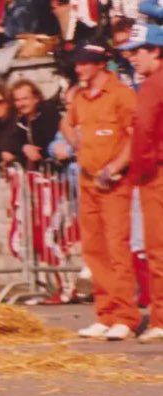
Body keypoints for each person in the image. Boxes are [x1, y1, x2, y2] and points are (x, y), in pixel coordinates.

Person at [60, 39, 139, 340]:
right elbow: (67, 124)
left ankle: (126, 316)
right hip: (87, 180)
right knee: (94, 250)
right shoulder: (80, 96)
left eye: (83, 63)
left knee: (117, 248)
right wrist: (78, 145)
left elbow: (134, 136)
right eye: (77, 63)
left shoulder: (121, 95)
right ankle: (105, 314)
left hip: (114, 183)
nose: (78, 68)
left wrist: (116, 166)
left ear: (99, 64)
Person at [120, 22, 163, 342]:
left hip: (156, 175)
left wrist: (139, 173)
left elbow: (144, 131)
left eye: (138, 52)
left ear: (156, 51)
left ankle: (160, 318)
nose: (132, 58)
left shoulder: (151, 85)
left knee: (157, 248)